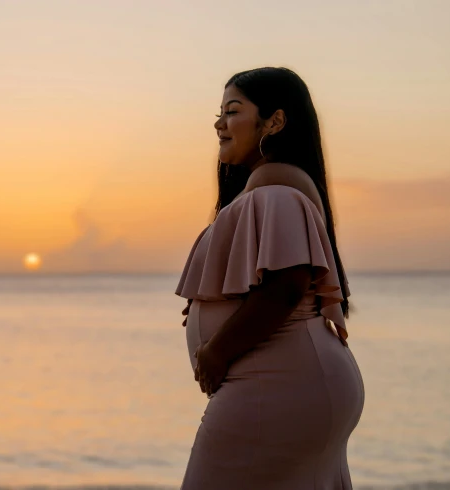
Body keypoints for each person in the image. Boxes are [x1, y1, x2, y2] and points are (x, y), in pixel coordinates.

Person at [175, 67, 365, 489]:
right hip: (286, 382)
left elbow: (285, 287)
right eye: (219, 112)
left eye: (233, 111)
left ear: (275, 122)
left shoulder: (275, 191)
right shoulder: (267, 190)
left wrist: (216, 353)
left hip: (278, 384)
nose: (219, 123)